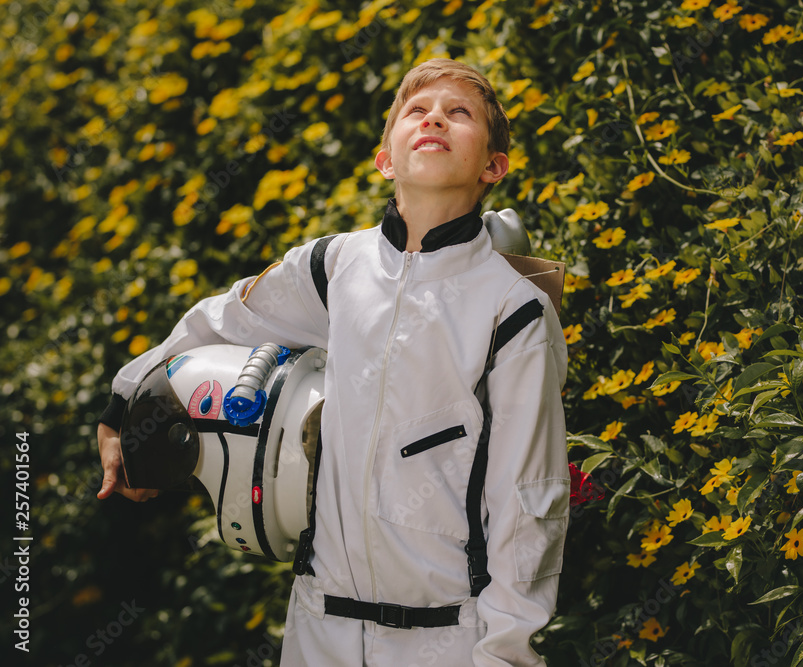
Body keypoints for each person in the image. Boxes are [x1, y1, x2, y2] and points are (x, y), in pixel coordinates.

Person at [96, 58, 570, 666]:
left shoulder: (515, 310)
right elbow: (218, 322)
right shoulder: (332, 267)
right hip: (317, 631)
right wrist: (123, 403)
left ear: (492, 167)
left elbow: (528, 503)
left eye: (460, 114)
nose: (435, 120)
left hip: (447, 640)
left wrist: (504, 655)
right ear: (386, 160)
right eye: (417, 111)